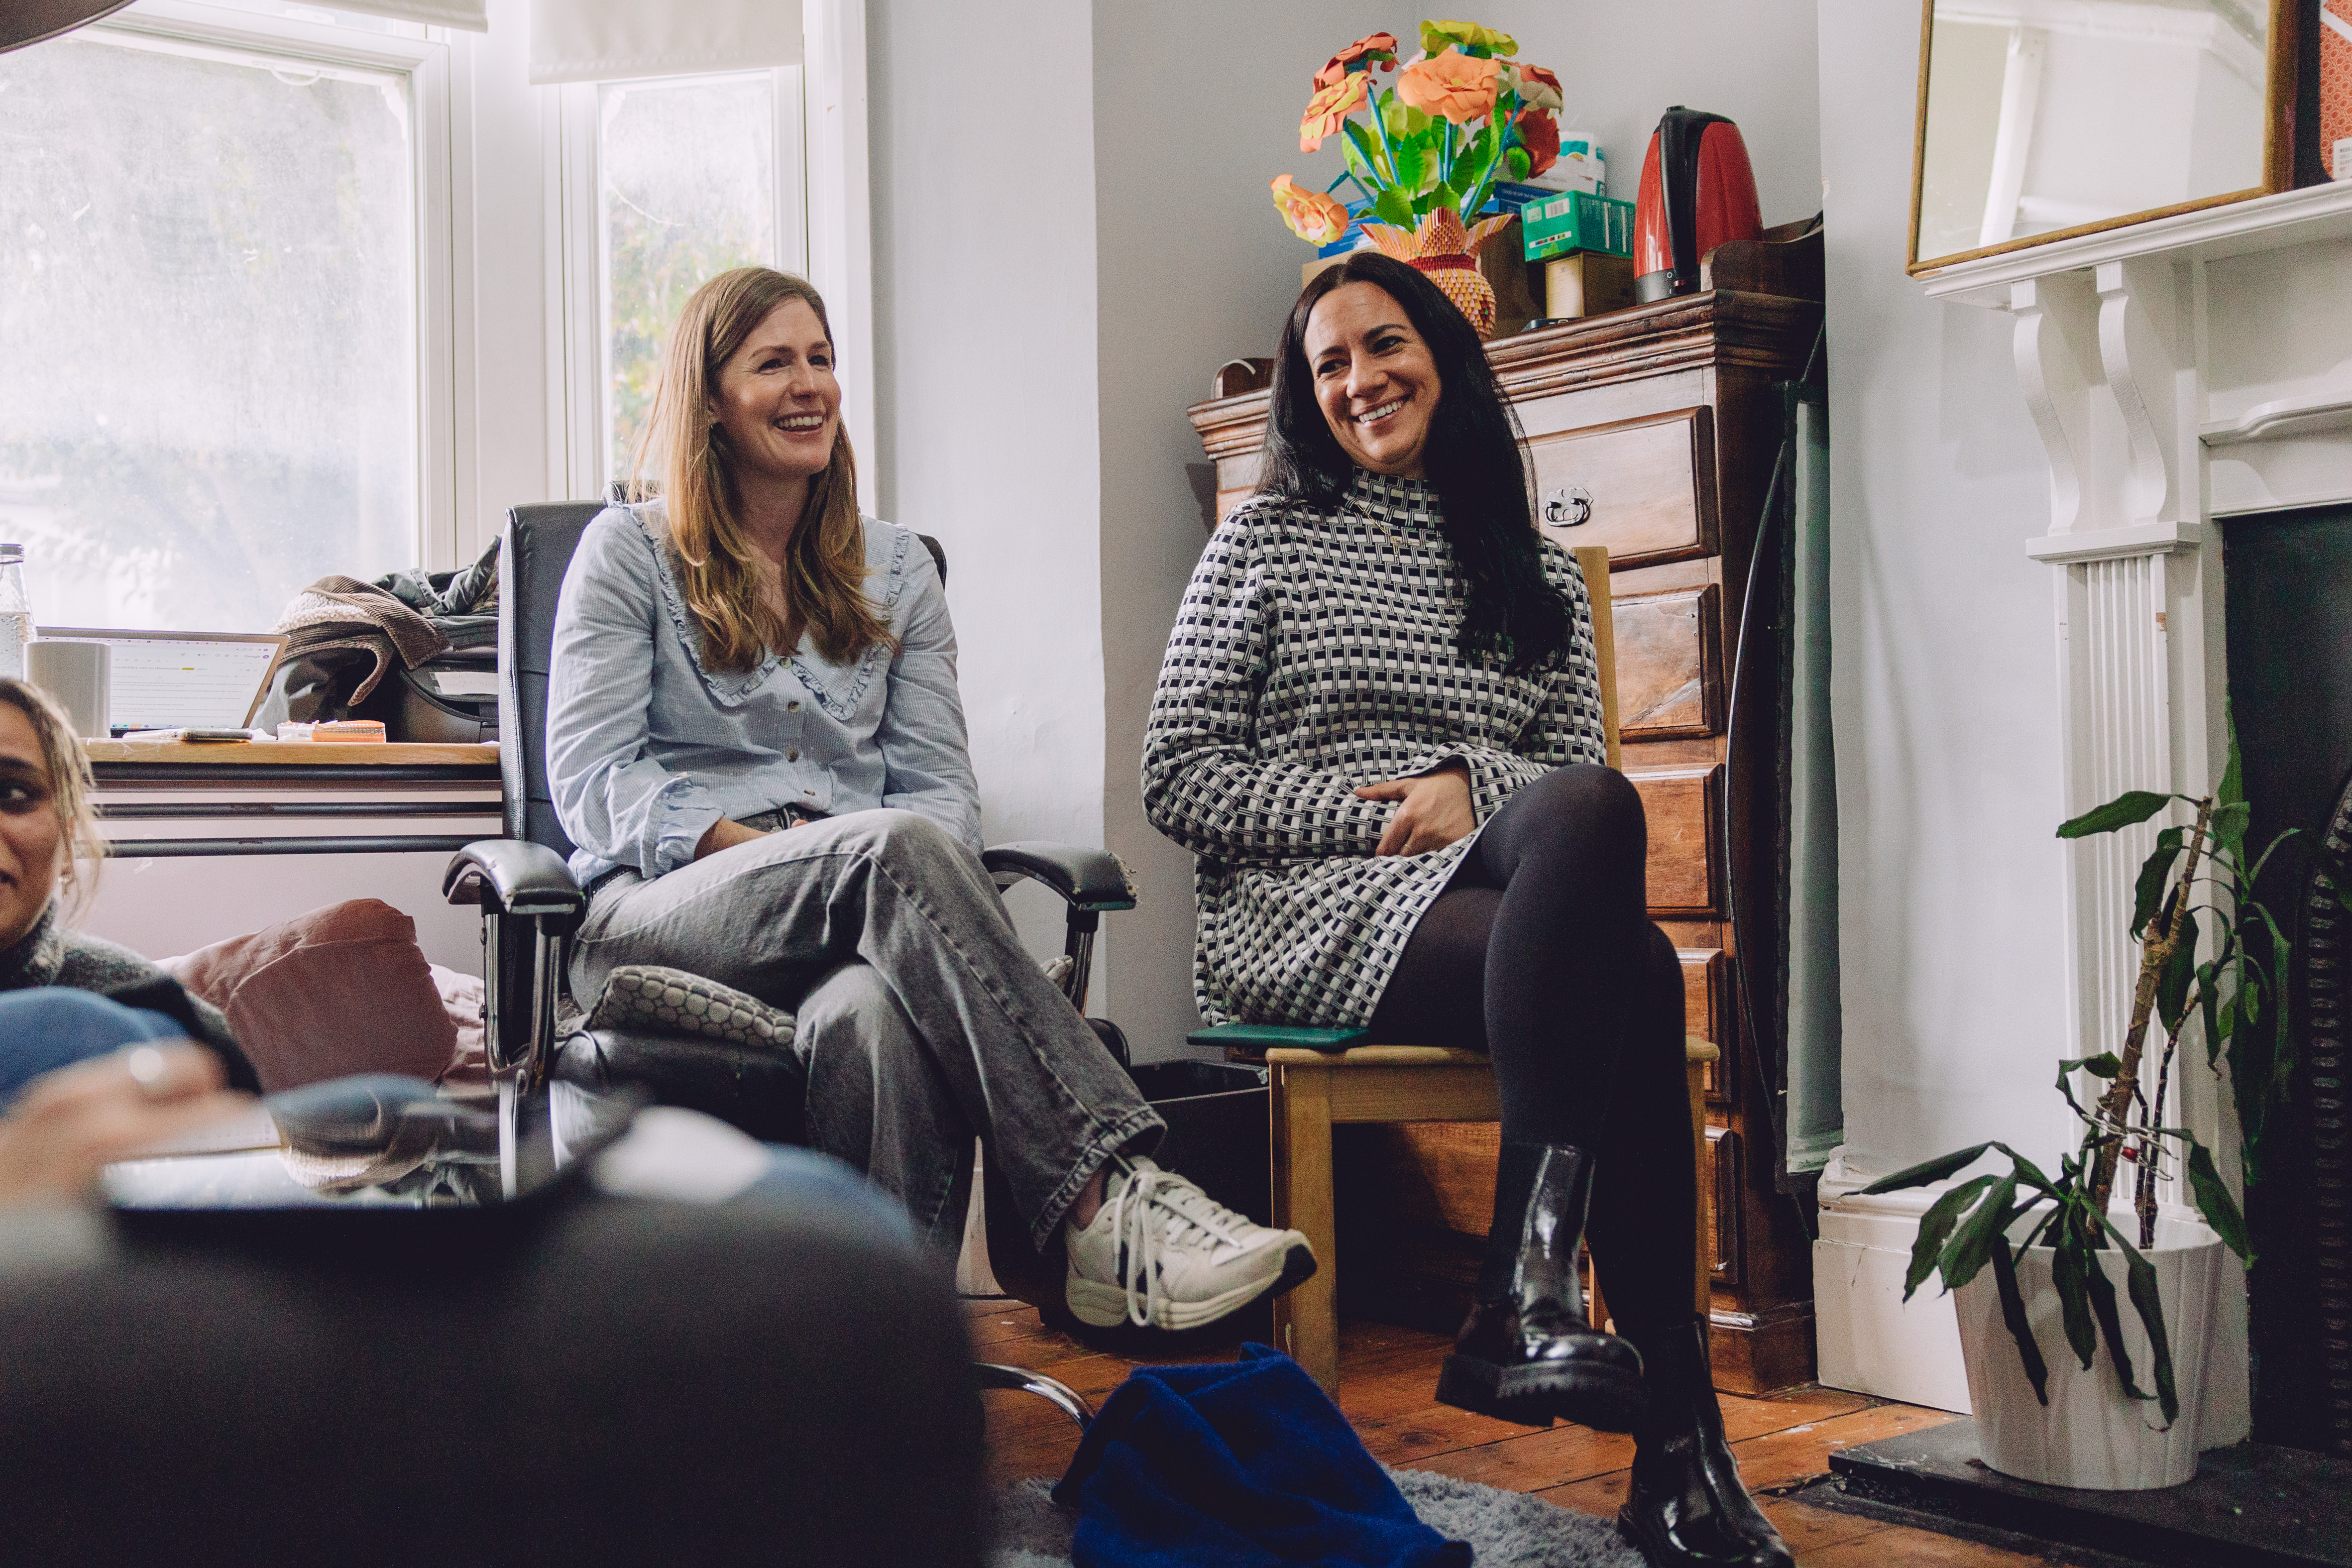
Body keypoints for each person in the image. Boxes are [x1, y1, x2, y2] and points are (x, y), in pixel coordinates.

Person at [1141, 252, 1791, 1568]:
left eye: (1382, 346)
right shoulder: (1259, 542)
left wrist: (1463, 790)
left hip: (1491, 907)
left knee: (1601, 847)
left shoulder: (1533, 576)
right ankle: (1650, 1421)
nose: (1357, 380)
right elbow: (1179, 773)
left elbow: (1566, 789)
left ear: (1442, 353)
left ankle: (1559, 1329)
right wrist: (1377, 813)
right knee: (1635, 959)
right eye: (1326, 364)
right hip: (1305, 912)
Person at [546, 265, 1311, 1332]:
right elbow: (590, 781)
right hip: (663, 913)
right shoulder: (628, 552)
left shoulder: (896, 569)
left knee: (874, 1017)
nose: (808, 384)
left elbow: (941, 790)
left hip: (865, 916)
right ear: (709, 397)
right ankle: (1108, 1197)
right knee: (885, 850)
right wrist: (770, 849)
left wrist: (866, 859)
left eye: (820, 358)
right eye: (773, 362)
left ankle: (880, 1370)